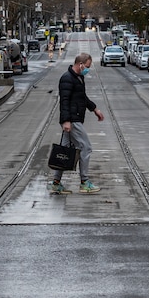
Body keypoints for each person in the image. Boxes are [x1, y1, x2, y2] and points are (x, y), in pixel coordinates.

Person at [49, 52, 105, 195]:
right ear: (80, 64)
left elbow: (82, 98)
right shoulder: (67, 79)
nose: (87, 69)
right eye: (87, 66)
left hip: (74, 119)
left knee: (64, 150)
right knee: (85, 148)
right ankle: (84, 182)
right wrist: (66, 121)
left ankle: (56, 183)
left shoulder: (78, 77)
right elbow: (64, 101)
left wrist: (94, 109)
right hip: (72, 120)